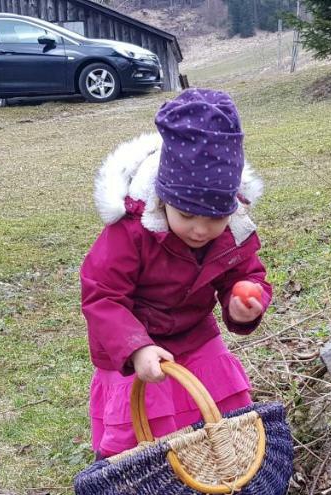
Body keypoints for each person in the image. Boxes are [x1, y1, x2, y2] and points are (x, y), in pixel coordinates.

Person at [81, 89, 271, 459]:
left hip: (194, 334)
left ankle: (216, 465)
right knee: (146, 422)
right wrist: (136, 347)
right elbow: (101, 295)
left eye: (215, 218)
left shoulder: (234, 231)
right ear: (162, 199)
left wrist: (244, 302)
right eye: (186, 216)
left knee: (222, 407)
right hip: (135, 340)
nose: (200, 230)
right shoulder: (131, 232)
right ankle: (146, 477)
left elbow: (246, 275)